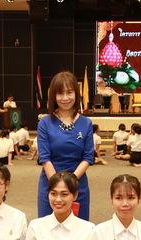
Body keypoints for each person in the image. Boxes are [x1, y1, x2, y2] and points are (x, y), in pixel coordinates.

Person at [37, 71, 94, 221]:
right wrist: (58, 187)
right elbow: (45, 158)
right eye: (60, 93)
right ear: (53, 96)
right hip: (50, 185)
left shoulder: (86, 123)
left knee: (79, 229)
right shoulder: (45, 123)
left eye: (69, 92)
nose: (65, 98)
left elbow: (88, 157)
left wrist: (70, 184)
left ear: (76, 94)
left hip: (77, 185)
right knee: (48, 228)